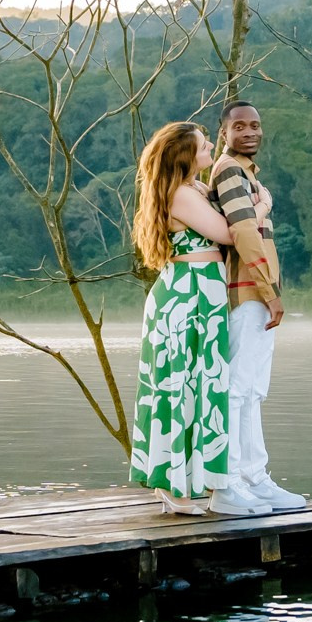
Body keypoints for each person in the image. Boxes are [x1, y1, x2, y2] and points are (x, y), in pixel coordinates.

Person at [129, 121, 236, 515]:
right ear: (186, 157)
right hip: (187, 296)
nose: (210, 149)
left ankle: (188, 481)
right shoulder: (182, 195)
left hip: (199, 294)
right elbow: (227, 233)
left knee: (198, 387)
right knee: (180, 387)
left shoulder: (193, 190)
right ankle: (173, 487)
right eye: (203, 146)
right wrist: (262, 206)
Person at [209, 101, 307, 513]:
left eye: (256, 125)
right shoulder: (229, 170)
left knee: (252, 390)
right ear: (224, 133)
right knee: (237, 390)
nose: (250, 132)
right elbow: (244, 232)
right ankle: (227, 483)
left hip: (258, 292)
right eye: (240, 126)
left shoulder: (248, 173)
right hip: (246, 289)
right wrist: (269, 291)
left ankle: (255, 478)